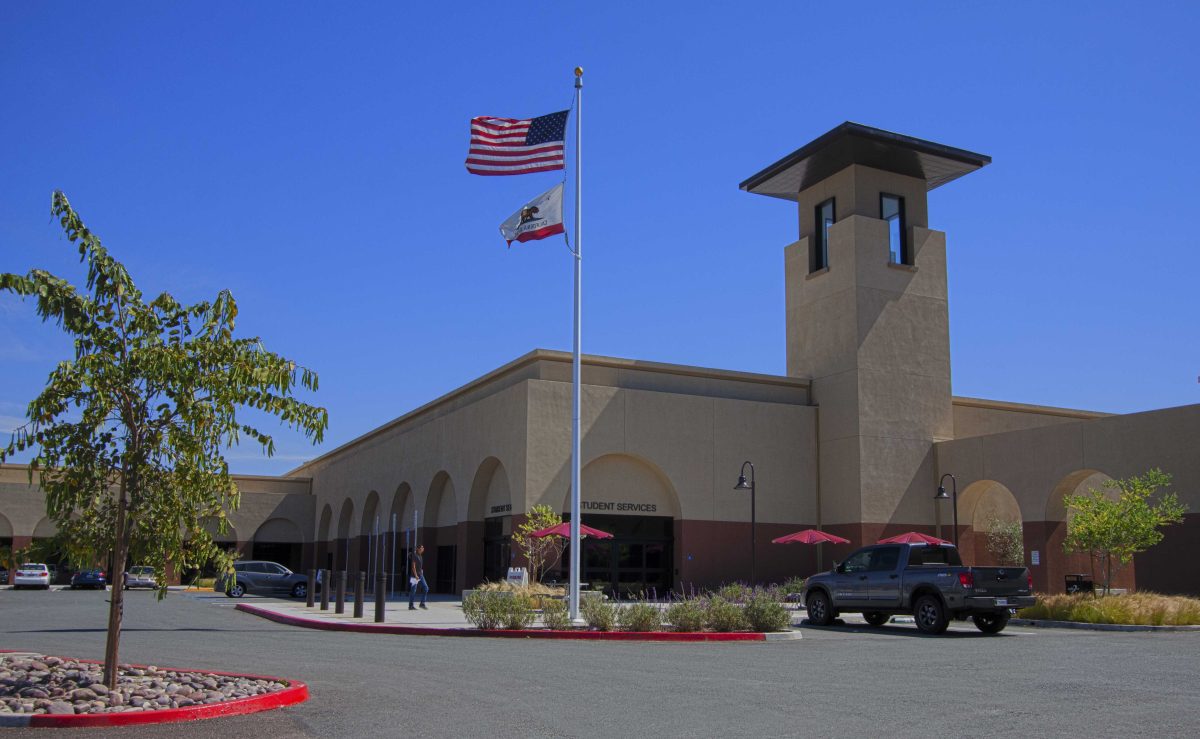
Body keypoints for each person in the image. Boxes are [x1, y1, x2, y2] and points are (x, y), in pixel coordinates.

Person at [408, 544, 429, 610]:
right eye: (421, 548)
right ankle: (411, 605)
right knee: (413, 590)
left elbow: (419, 566)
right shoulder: (415, 555)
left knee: (426, 588)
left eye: (423, 548)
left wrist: (421, 571)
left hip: (420, 575)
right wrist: (416, 575)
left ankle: (422, 604)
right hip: (415, 576)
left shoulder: (420, 556)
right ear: (418, 549)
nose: (423, 549)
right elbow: (413, 566)